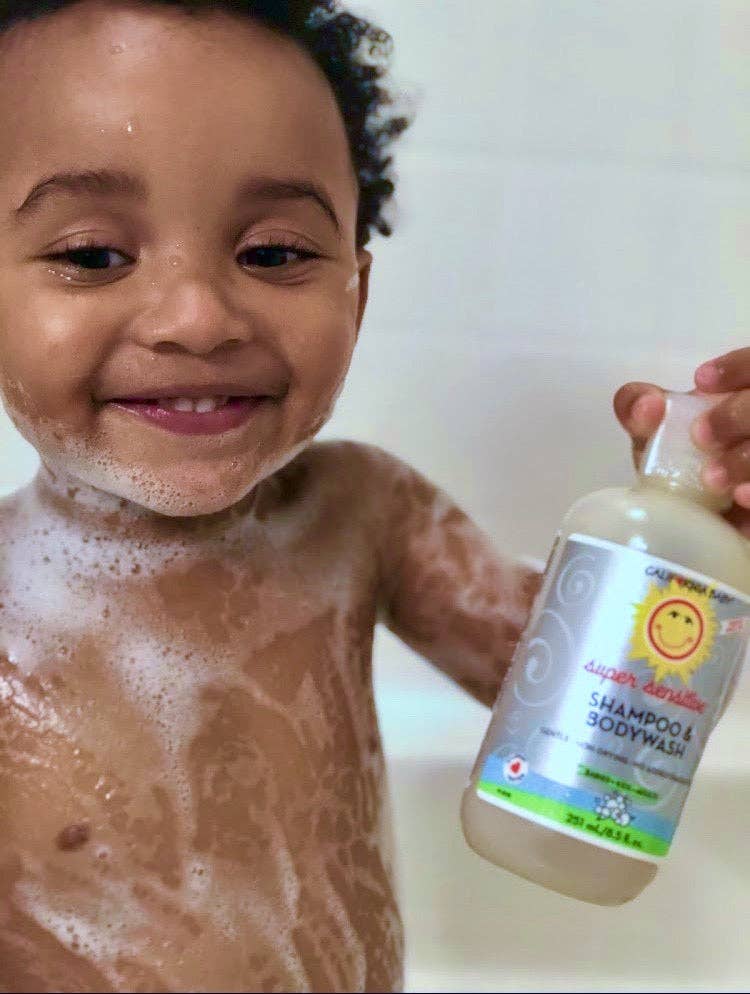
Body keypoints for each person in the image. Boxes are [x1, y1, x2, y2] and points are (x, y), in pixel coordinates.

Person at [0, 1, 747, 990]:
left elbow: (589, 715)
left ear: (356, 290)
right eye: (93, 254)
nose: (196, 317)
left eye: (273, 253)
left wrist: (691, 542)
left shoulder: (360, 512)